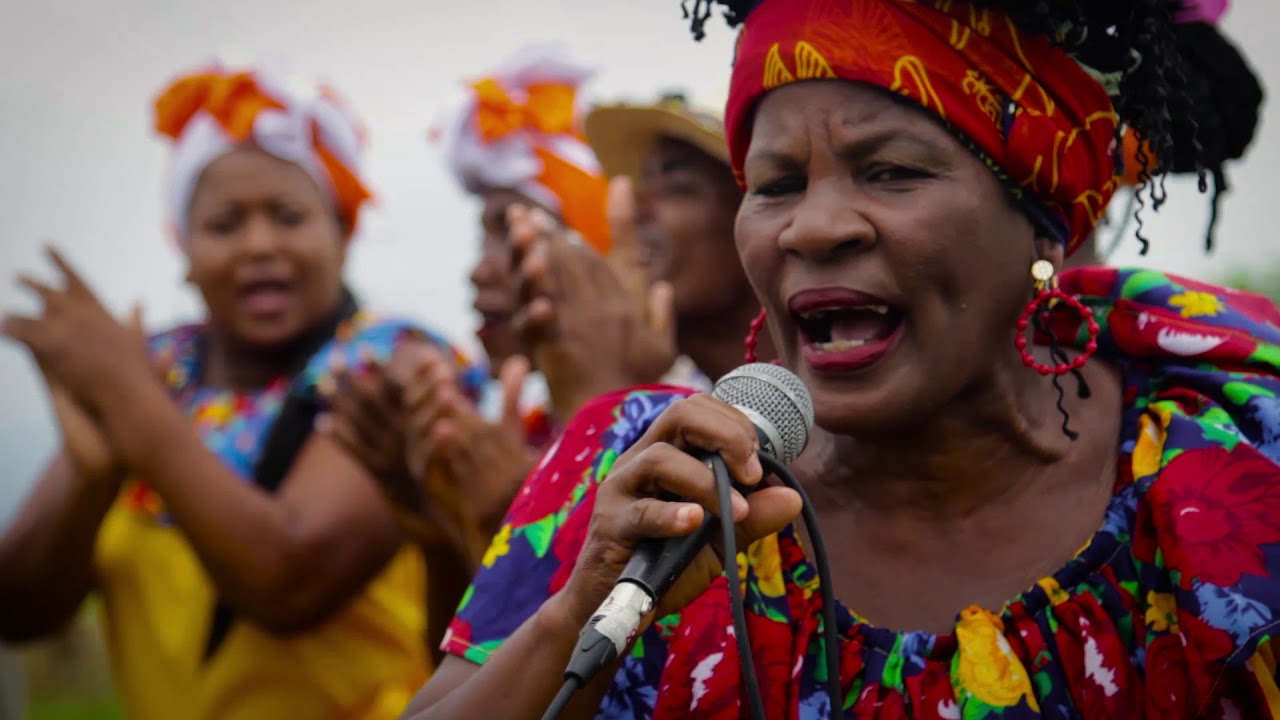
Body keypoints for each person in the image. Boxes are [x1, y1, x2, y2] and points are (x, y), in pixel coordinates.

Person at [402, 0, 1280, 717]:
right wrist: (579, 613)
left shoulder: (1228, 469)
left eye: (892, 171)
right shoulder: (638, 471)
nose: (814, 228)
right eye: (776, 185)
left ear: (1047, 224)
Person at [0, 60, 482, 720]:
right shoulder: (156, 368)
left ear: (344, 232)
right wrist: (92, 477)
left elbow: (288, 584)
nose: (259, 244)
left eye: (288, 216)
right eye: (224, 225)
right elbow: (19, 612)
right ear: (182, 247)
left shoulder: (389, 365)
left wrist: (129, 404)